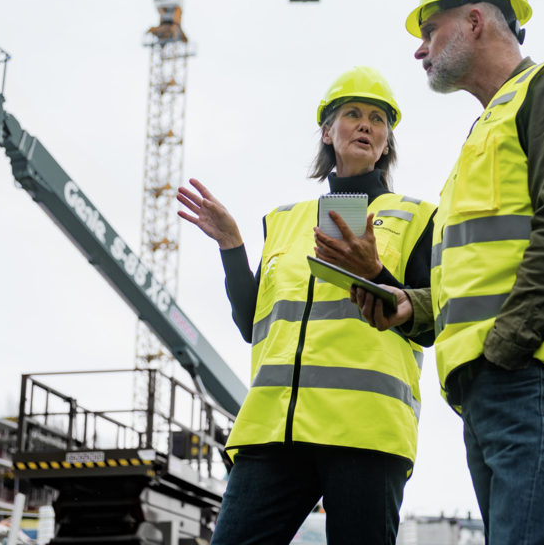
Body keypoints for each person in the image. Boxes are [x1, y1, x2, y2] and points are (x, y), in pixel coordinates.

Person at [351, 0, 544, 545]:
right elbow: (474, 275)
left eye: (429, 31)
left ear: (474, 21)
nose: (420, 52)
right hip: (495, 384)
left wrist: (506, 348)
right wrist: (410, 308)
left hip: (534, 372)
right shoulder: (487, 128)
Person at [177, 66, 437, 545]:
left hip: (365, 433)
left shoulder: (417, 218)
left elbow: (432, 317)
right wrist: (233, 248)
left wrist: (377, 276)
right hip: (273, 431)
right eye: (353, 114)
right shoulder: (283, 222)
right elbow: (250, 323)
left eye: (378, 119)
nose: (365, 125)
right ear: (327, 131)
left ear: (386, 140)